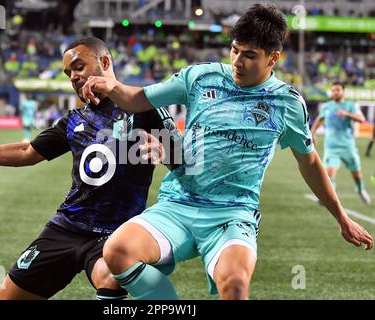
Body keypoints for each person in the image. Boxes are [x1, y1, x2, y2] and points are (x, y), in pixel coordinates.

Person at [79, 4, 374, 300]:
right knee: (116, 252)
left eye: (249, 55)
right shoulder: (200, 77)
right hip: (178, 203)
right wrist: (112, 86)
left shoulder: (287, 103)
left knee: (234, 286)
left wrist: (342, 218)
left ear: (273, 58)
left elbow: (309, 162)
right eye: (234, 50)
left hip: (232, 214)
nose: (237, 62)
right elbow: (139, 99)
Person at [0, 37, 178, 300]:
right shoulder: (74, 120)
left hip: (116, 234)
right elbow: (27, 152)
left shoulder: (143, 106)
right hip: (66, 228)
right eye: (68, 73)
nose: (73, 77)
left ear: (104, 62)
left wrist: (164, 150)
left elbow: (185, 161)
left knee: (110, 277)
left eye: (79, 67)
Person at [311, 81, 371, 204]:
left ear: (343, 91)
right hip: (331, 147)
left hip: (348, 146)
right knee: (330, 172)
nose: (335, 92)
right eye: (333, 90)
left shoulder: (350, 105)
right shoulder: (327, 106)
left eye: (337, 90)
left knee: (357, 174)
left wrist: (347, 114)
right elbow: (320, 120)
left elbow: (361, 119)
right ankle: (328, 197)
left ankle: (360, 190)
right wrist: (313, 133)